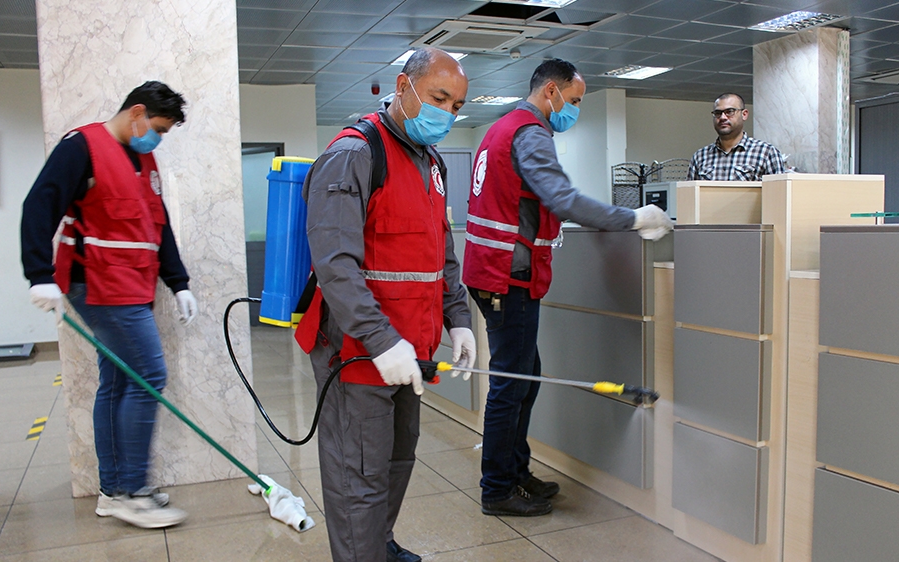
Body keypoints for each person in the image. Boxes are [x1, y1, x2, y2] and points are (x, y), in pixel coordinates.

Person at [462, 58, 672, 518]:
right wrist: (632, 218)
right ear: (551, 92)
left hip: (494, 273)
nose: (574, 110)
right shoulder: (530, 132)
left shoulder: (502, 128)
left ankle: (516, 473)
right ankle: (497, 488)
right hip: (507, 278)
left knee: (525, 379)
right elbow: (563, 198)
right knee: (511, 386)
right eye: (574, 101)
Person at [294, 47, 476, 562]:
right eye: (440, 97)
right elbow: (335, 266)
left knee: (397, 460)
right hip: (356, 350)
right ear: (403, 87)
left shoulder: (431, 163)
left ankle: (376, 545)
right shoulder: (354, 155)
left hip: (409, 350)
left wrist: (459, 320)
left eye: (457, 105)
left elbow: (442, 253)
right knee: (360, 474)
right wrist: (381, 340)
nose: (448, 112)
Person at [21, 81, 196, 529]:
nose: (157, 137)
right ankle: (132, 493)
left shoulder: (144, 160)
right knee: (149, 375)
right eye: (157, 127)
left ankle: (114, 489)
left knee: (119, 382)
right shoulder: (82, 147)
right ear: (136, 113)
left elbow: (159, 228)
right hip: (96, 285)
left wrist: (178, 283)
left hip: (132, 287)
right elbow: (39, 205)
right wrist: (39, 274)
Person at [687, 92, 787, 181]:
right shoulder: (700, 157)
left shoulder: (766, 153)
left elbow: (778, 196)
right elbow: (689, 197)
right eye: (718, 113)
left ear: (744, 114)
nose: (723, 117)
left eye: (729, 111)